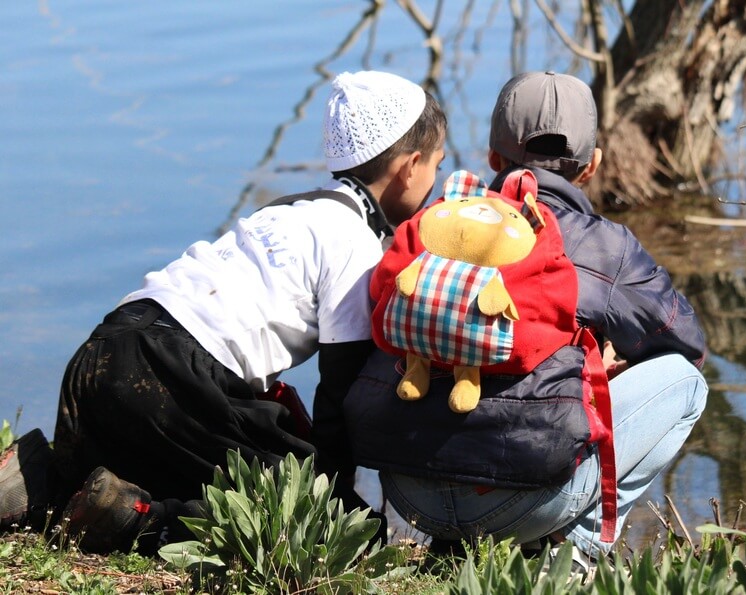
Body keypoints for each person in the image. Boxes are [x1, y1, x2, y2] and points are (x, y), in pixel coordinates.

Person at [0, 70, 447, 554]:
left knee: (136, 461)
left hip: (104, 352)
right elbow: (342, 399)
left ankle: (44, 483)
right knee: (285, 501)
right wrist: (338, 503)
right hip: (173, 377)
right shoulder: (356, 246)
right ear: (411, 166)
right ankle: (144, 523)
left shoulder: (288, 210)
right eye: (437, 167)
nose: (434, 183)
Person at [343, 71, 708, 570]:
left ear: (493, 160)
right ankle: (575, 558)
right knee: (686, 384)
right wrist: (605, 355)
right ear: (592, 167)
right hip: (518, 501)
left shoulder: (437, 222)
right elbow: (686, 345)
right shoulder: (607, 247)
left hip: (409, 491)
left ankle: (453, 552)